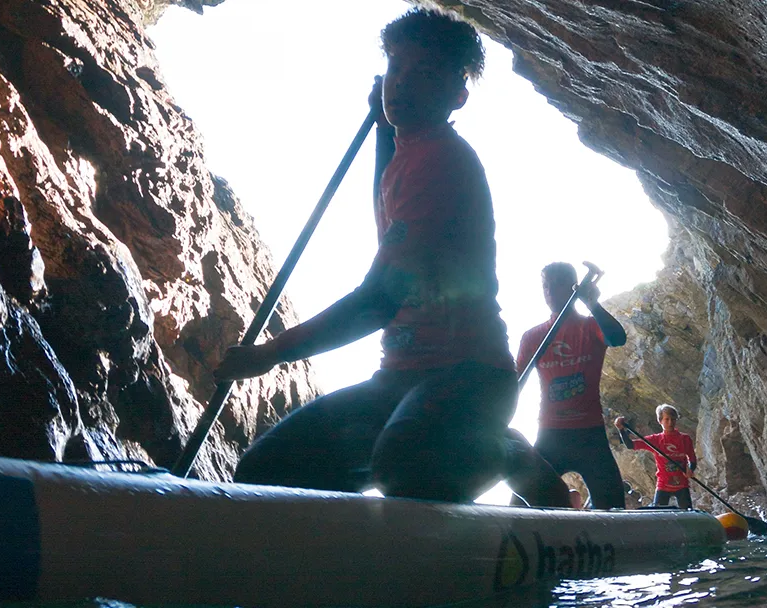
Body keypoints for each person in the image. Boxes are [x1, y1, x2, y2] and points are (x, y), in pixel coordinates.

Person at [213, 8, 570, 508]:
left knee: (405, 467)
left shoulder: (442, 161)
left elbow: (378, 301)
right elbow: (387, 214)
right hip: (399, 377)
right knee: (265, 471)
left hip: (469, 378)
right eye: (396, 68)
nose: (402, 84)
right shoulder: (408, 154)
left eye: (424, 74)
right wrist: (382, 128)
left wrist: (269, 354)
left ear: (458, 96)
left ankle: (507, 452)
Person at [515, 262, 628, 509]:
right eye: (545, 286)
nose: (549, 292)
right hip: (550, 433)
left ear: (573, 287)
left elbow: (618, 338)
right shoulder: (533, 337)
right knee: (519, 506)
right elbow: (512, 385)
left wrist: (593, 304)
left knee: (613, 507)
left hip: (590, 434)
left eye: (556, 285)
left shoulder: (590, 326)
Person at [614, 404, 698, 509]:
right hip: (663, 485)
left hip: (682, 485)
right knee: (659, 513)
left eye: (673, 419)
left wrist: (691, 469)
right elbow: (630, 445)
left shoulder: (685, 439)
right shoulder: (655, 440)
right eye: (667, 419)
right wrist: (621, 430)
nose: (670, 422)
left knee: (687, 514)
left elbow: (692, 458)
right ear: (660, 421)